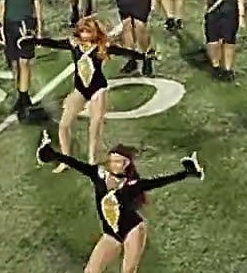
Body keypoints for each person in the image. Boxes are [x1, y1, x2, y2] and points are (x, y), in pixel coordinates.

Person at [36, 130, 203, 273]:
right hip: (111, 233)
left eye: (117, 161)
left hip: (133, 230)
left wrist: (186, 173)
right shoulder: (98, 175)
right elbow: (77, 164)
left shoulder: (131, 184)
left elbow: (158, 182)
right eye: (112, 159)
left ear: (125, 164)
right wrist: (53, 154)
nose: (112, 163)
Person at [26, 18, 154, 172]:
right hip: (80, 90)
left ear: (94, 33)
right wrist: (32, 40)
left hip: (98, 89)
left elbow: (123, 52)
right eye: (82, 31)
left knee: (95, 126)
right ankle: (66, 160)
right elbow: (53, 43)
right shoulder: (73, 45)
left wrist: (144, 56)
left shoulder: (101, 47)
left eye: (88, 31)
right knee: (64, 125)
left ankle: (93, 159)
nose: (84, 35)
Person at [0, 0, 46, 121]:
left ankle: (24, 96)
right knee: (15, 64)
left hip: (26, 25)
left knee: (25, 62)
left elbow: (37, 7)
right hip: (10, 26)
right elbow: (1, 7)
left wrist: (40, 30)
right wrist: (0, 28)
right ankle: (21, 94)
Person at [199, 0, 246, 81]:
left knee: (229, 42)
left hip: (230, 14)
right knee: (213, 41)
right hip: (213, 13)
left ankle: (228, 69)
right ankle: (215, 66)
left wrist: (241, 16)